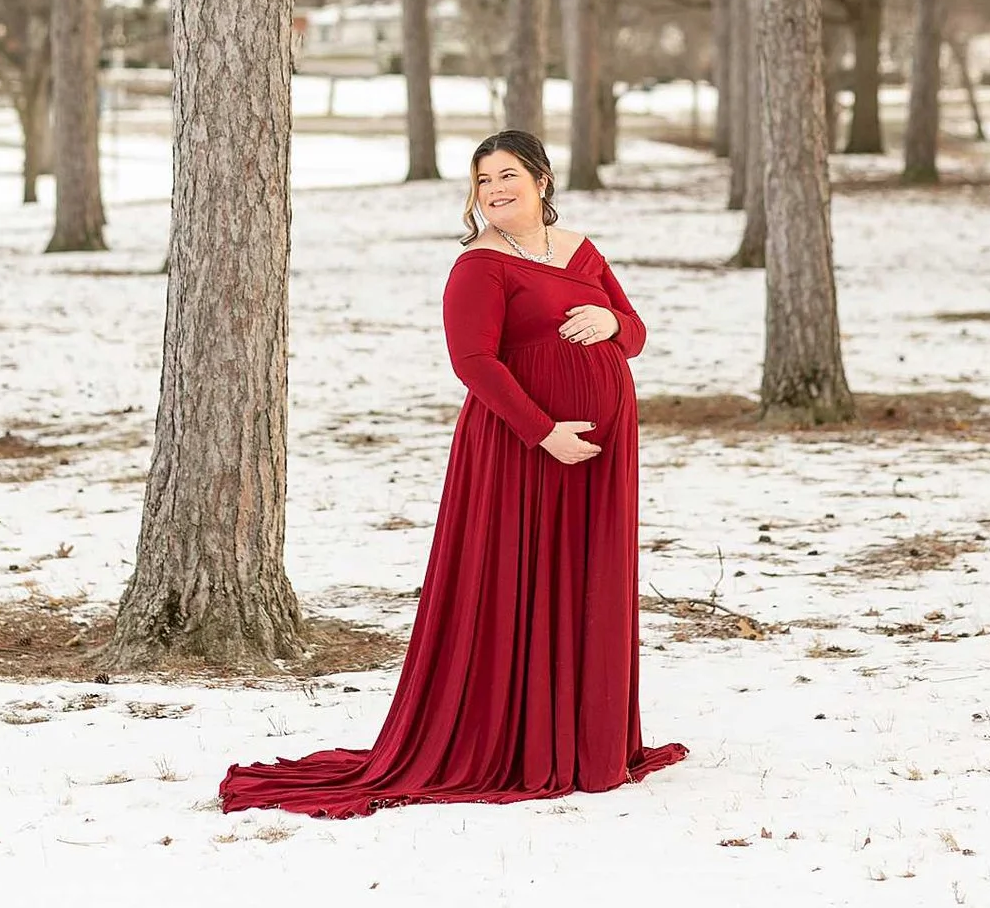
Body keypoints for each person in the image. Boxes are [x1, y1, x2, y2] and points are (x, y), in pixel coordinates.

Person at [220, 129, 686, 816]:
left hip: (602, 458)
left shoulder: (583, 251)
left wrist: (613, 322)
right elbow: (474, 364)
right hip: (522, 453)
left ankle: (590, 741)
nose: (495, 191)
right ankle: (523, 740)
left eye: (508, 176)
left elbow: (639, 333)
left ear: (542, 181)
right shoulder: (479, 265)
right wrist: (544, 433)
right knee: (524, 583)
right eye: (484, 181)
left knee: (588, 580)